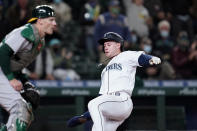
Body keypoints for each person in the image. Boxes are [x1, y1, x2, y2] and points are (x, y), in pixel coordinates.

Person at [67, 32, 161, 131]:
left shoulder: (126, 55)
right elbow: (102, 100)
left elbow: (141, 58)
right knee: (96, 127)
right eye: (104, 45)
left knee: (93, 104)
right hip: (111, 107)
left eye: (108, 44)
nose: (105, 47)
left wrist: (151, 59)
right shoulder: (104, 70)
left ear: (118, 45)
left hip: (122, 100)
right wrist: (84, 117)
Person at [0, 5, 56, 131]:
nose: (54, 23)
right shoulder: (26, 31)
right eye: (51, 20)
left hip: (4, 71)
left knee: (27, 111)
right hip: (2, 71)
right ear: (40, 20)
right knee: (20, 108)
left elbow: (16, 63)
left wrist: (24, 81)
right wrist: (11, 79)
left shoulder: (40, 39)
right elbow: (2, 52)